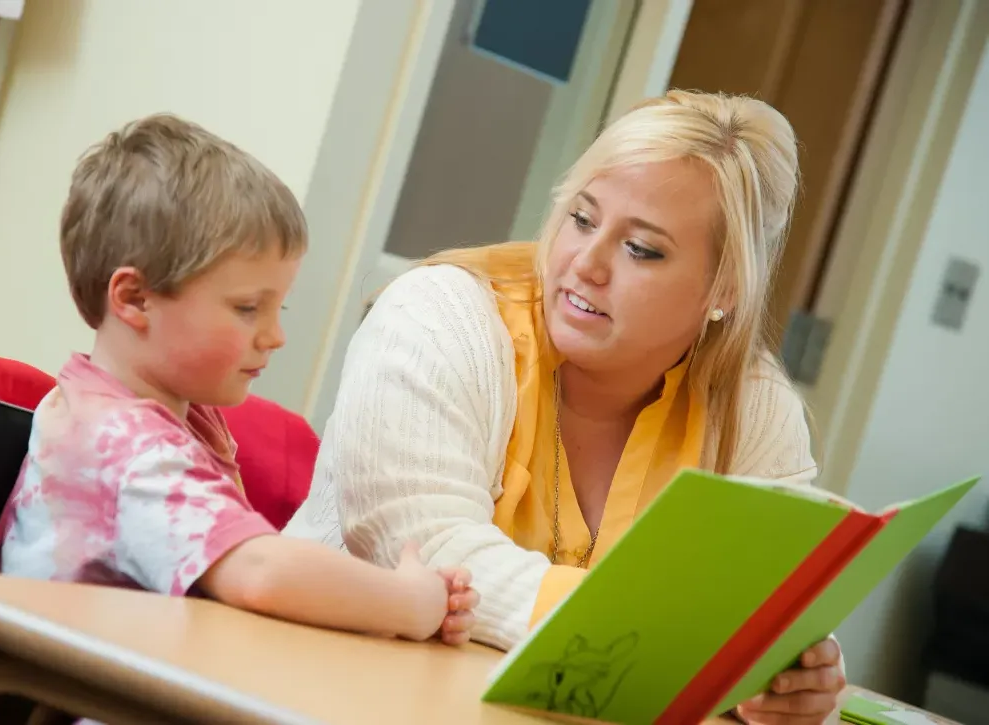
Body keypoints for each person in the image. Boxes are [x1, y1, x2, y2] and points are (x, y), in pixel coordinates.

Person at [284, 91, 845, 722]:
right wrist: (686, 644)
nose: (585, 264)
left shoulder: (754, 404)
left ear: (727, 288)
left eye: (642, 250)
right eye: (582, 218)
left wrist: (788, 678)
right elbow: (432, 556)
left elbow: (769, 606)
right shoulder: (438, 319)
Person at [0, 114, 477, 646]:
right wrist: (408, 600)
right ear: (134, 299)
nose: (275, 336)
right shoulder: (121, 445)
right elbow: (261, 573)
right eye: (248, 308)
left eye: (278, 307)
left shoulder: (167, 418)